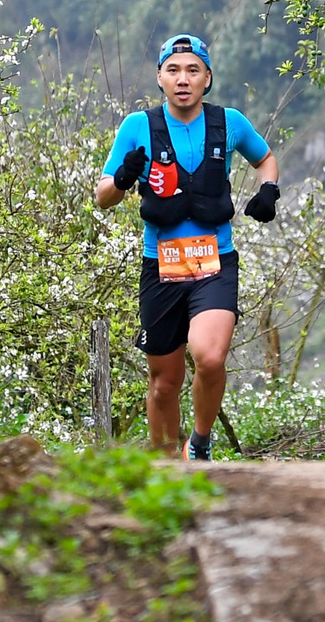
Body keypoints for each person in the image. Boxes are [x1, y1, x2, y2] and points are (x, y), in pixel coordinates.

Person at [93, 32, 281, 459]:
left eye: (193, 70)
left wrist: (268, 189)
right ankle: (164, 463)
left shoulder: (229, 122)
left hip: (215, 262)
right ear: (160, 78)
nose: (183, 79)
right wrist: (123, 179)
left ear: (207, 78)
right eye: (173, 70)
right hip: (160, 266)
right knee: (164, 382)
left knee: (210, 357)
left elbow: (265, 158)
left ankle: (198, 444)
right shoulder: (137, 127)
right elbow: (103, 196)